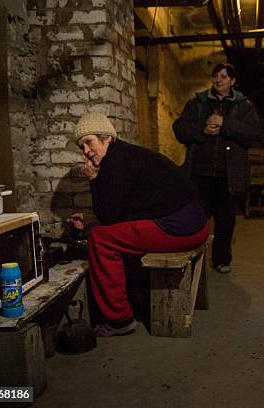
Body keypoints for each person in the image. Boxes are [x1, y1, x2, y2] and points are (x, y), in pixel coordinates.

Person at [68, 112, 209, 337]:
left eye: (89, 142)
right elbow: (125, 210)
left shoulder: (115, 162)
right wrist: (92, 218)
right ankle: (137, 295)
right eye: (81, 147)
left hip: (181, 229)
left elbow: (109, 218)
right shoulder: (125, 155)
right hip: (197, 223)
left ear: (107, 138)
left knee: (101, 239)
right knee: (111, 231)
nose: (86, 151)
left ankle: (119, 320)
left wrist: (93, 180)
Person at [173, 62, 261, 274]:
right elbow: (180, 129)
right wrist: (202, 130)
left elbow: (253, 135)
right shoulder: (198, 103)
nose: (218, 79)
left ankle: (221, 260)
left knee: (225, 222)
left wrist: (225, 123)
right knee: (196, 220)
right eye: (216, 76)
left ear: (232, 81)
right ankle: (194, 261)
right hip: (199, 175)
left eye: (223, 76)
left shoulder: (244, 106)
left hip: (227, 177)